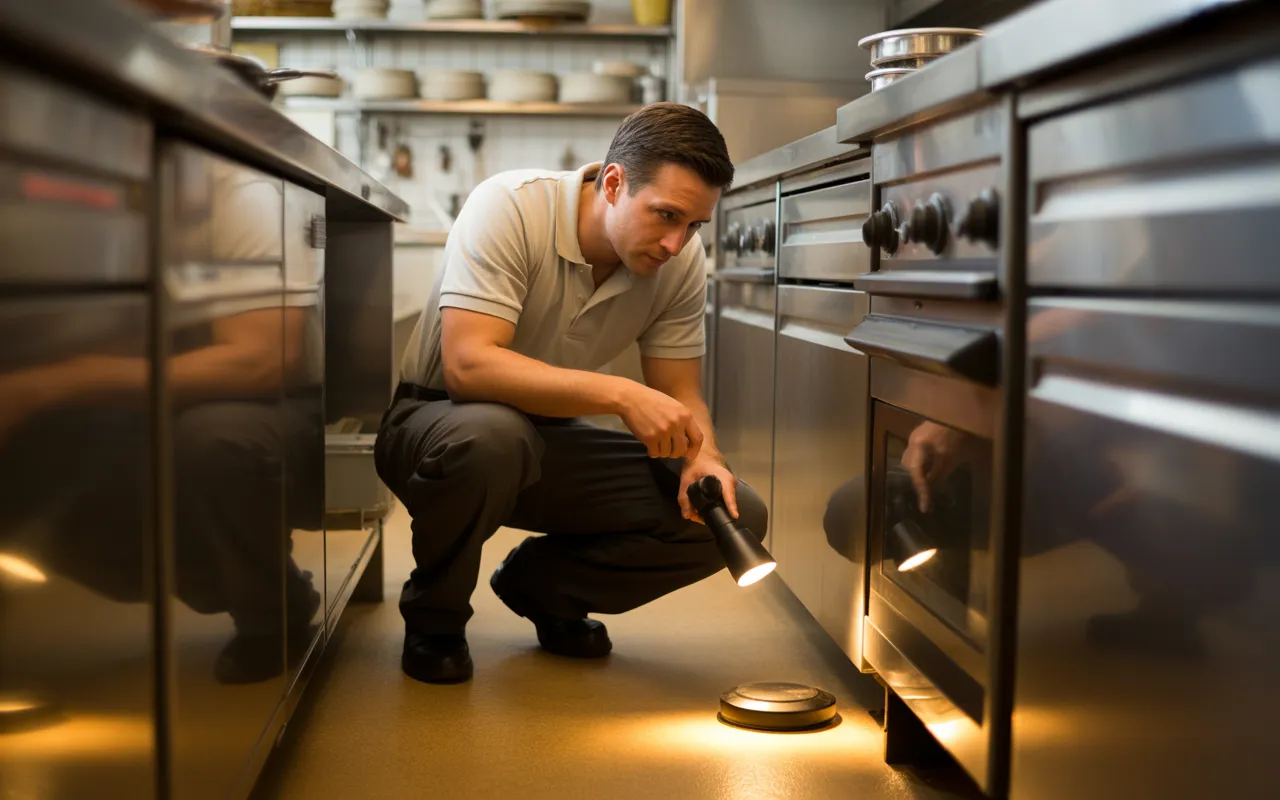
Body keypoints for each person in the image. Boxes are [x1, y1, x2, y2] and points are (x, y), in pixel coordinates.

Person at [376, 103, 769, 685]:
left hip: (544, 436)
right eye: (665, 215)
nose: (675, 242)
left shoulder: (679, 260)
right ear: (613, 183)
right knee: (492, 438)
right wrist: (619, 394)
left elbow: (682, 393)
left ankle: (542, 586)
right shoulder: (510, 206)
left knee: (731, 511)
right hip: (435, 422)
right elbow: (468, 366)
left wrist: (704, 458)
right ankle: (435, 619)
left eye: (694, 226)